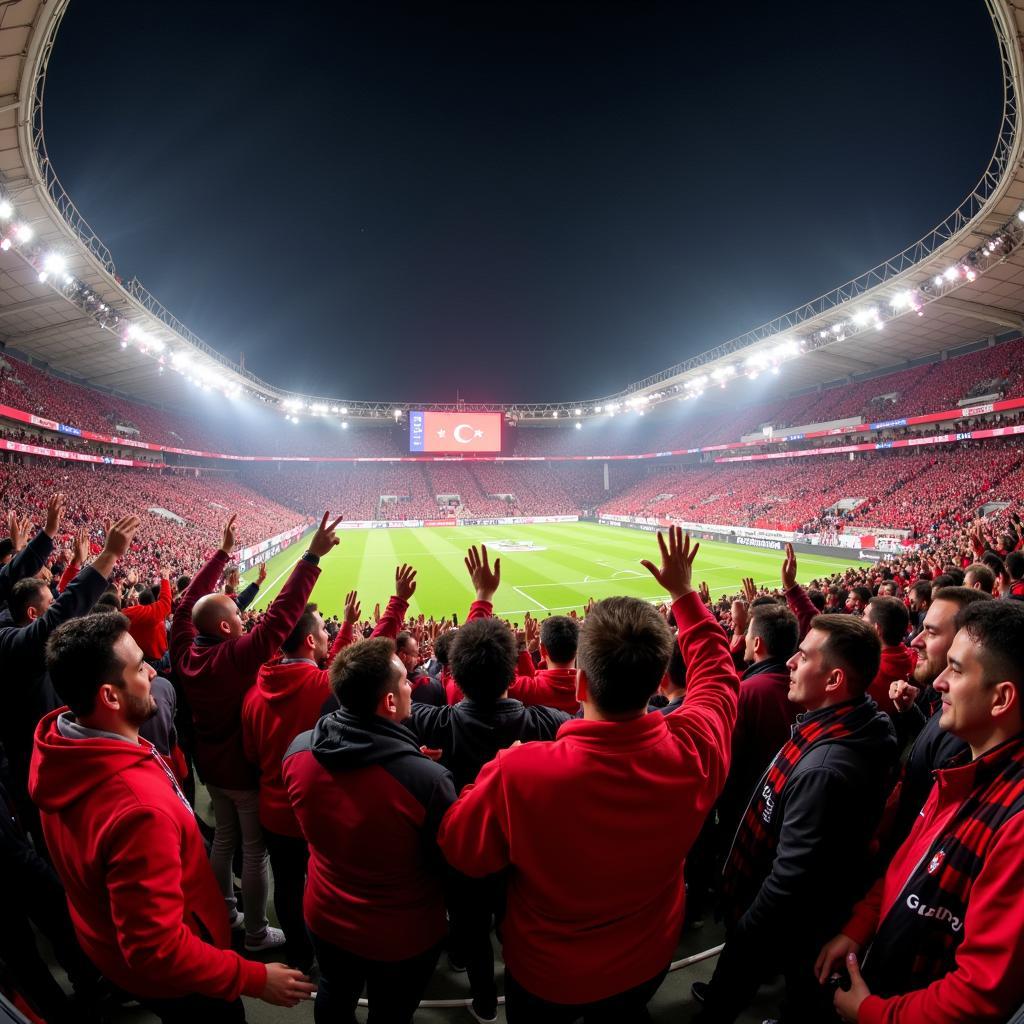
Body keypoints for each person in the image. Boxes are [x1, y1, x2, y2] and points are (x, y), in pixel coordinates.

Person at [438, 527, 740, 1022]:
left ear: (579, 681)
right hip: (647, 959)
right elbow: (718, 677)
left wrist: (491, 770)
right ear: (661, 679)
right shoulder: (696, 747)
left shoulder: (519, 772)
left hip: (546, 974)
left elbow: (458, 845)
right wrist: (685, 596)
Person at [29, 612, 314, 1023]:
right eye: (140, 666)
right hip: (183, 981)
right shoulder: (137, 811)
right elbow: (156, 949)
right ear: (110, 697)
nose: (153, 671)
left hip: (110, 946)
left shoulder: (63, 744)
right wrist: (252, 978)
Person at [817, 601, 1024, 1024]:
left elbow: (978, 995)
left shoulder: (1017, 824)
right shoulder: (960, 769)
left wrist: (873, 1014)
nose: (941, 682)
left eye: (958, 669)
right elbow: (909, 864)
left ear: (1001, 698)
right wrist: (860, 926)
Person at [696, 614, 897, 1023]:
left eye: (802, 658)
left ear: (834, 680)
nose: (789, 662)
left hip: (789, 920)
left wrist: (745, 933)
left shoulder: (823, 768)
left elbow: (789, 880)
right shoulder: (856, 723)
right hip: (817, 908)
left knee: (749, 987)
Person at [406, 547, 572, 1022]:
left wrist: (480, 599)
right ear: (516, 673)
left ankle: (480, 995)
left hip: (465, 851)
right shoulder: (546, 722)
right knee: (517, 921)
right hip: (523, 847)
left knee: (471, 927)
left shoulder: (435, 722)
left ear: (453, 673)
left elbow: (374, 694)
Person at [170, 511, 341, 951]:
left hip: (209, 766)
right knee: (253, 850)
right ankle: (256, 933)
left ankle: (225, 912)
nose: (246, 620)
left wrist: (223, 554)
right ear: (226, 628)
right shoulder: (231, 659)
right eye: (238, 616)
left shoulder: (185, 649)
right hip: (241, 772)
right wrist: (310, 559)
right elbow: (280, 619)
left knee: (223, 839)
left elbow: (187, 604)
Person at [282, 636, 458, 1023]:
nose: (412, 684)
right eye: (405, 681)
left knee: (333, 991)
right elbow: (448, 863)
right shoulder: (427, 782)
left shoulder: (297, 751)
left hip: (324, 915)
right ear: (389, 702)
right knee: (391, 1014)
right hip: (401, 935)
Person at [241, 596, 356, 972]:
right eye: (324, 629)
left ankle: (299, 956)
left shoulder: (254, 692)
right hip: (317, 809)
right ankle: (331, 956)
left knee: (287, 885)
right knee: (326, 883)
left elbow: (252, 754)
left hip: (273, 810)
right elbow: (350, 671)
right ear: (310, 641)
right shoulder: (323, 688)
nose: (328, 634)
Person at [0, 510, 139, 819]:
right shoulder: (11, 645)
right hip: (38, 768)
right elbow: (60, 616)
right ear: (35, 614)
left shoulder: (12, 618)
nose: (57, 601)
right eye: (51, 602)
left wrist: (40, 544)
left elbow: (15, 586)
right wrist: (108, 556)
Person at [881, 587, 992, 859]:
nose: (915, 641)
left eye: (931, 632)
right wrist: (909, 712)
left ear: (965, 642)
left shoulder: (967, 736)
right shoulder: (935, 695)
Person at [507, 614, 581, 714]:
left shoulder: (530, 690)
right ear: (578, 649)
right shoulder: (592, 689)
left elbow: (512, 681)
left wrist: (523, 648)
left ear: (542, 649)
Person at [863, 596, 916, 709]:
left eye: (864, 615)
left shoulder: (867, 673)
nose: (860, 620)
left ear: (877, 629)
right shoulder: (915, 657)